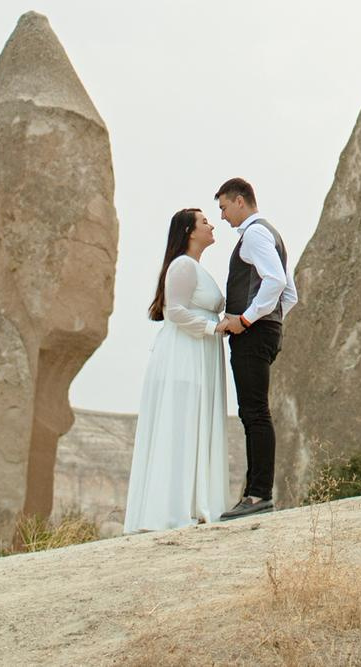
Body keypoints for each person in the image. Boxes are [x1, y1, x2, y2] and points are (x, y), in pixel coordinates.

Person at [122, 207, 230, 533]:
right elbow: (175, 311)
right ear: (189, 231)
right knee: (180, 425)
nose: (212, 225)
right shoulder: (182, 265)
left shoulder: (196, 268)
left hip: (199, 353)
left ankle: (193, 502)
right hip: (184, 356)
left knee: (192, 424)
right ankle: (171, 509)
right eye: (204, 221)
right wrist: (214, 329)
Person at [215, 176, 297, 520]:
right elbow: (290, 295)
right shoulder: (271, 234)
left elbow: (276, 282)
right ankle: (256, 492)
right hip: (265, 332)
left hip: (252, 334)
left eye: (223, 208)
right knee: (255, 412)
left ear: (239, 201)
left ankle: (257, 495)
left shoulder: (254, 234)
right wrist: (272, 321)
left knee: (254, 413)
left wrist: (247, 321)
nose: (221, 217)